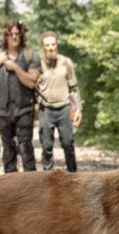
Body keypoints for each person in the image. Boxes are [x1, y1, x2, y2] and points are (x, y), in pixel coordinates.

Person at [0, 21, 40, 173]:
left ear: (21, 35)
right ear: (5, 36)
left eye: (17, 33)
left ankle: (33, 190)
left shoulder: (31, 55)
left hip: (24, 109)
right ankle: (11, 192)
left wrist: (15, 67)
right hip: (3, 112)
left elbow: (31, 82)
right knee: (8, 152)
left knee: (25, 148)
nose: (14, 37)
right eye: (10, 34)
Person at [36, 31, 82, 172]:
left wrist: (78, 108)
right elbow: (32, 87)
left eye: (53, 44)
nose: (51, 47)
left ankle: (73, 176)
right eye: (47, 45)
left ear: (57, 45)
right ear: (43, 47)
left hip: (64, 108)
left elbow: (73, 88)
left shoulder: (66, 63)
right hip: (46, 109)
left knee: (68, 144)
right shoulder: (37, 64)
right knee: (46, 147)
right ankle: (48, 179)